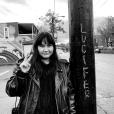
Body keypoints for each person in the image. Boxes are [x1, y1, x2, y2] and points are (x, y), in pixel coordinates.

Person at [6, 32, 76, 114]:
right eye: (42, 46)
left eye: (49, 45)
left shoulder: (64, 68)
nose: (46, 50)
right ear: (36, 48)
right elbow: (11, 92)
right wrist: (22, 74)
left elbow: (71, 96)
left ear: (54, 47)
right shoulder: (25, 65)